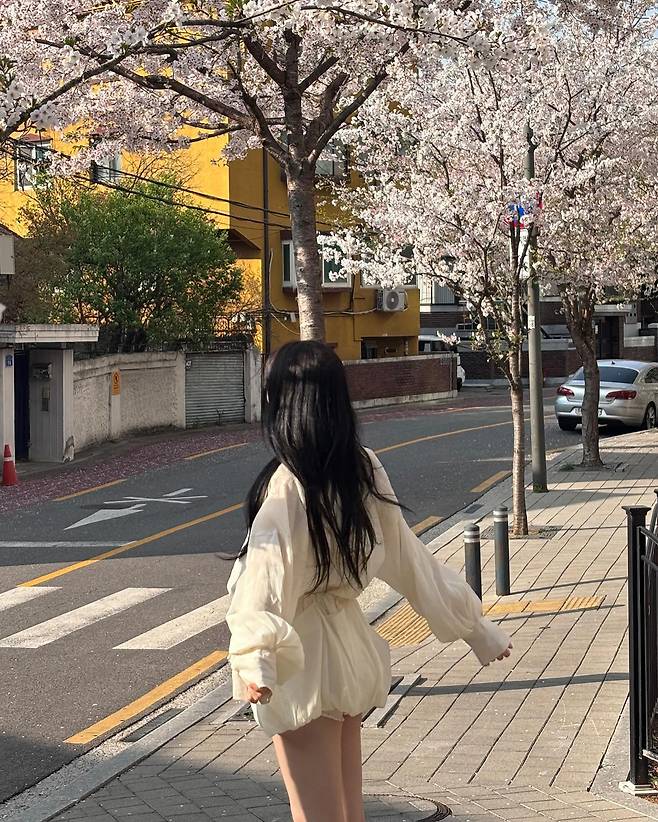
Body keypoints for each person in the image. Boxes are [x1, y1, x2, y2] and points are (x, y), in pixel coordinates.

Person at [226, 341, 512, 822]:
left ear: (282, 402)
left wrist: (256, 659)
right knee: (346, 811)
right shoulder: (360, 468)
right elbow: (408, 558)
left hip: (301, 659)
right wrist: (474, 628)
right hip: (347, 648)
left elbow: (265, 576)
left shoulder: (287, 484)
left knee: (316, 814)